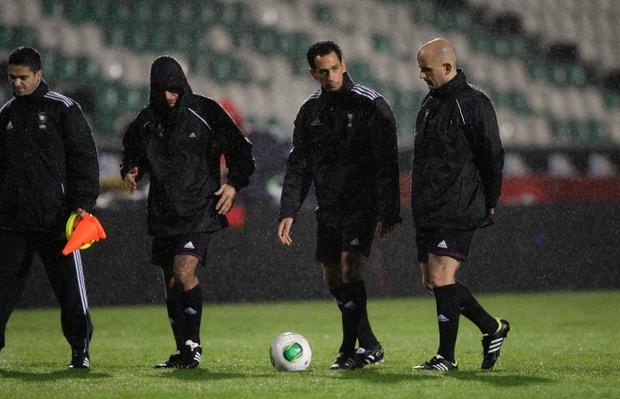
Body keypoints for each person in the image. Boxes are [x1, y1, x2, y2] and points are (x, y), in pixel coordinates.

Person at [121, 56, 254, 369]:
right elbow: (132, 153)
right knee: (170, 284)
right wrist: (131, 170)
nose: (167, 96)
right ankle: (182, 351)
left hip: (200, 209)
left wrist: (234, 185)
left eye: (173, 89)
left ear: (181, 85)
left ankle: (193, 345)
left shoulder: (205, 111)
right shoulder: (146, 120)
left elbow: (241, 150)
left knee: (183, 273)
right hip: (163, 212)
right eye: (161, 90)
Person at [278, 40, 401, 370]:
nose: (331, 76)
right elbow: (299, 164)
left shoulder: (370, 105)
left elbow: (388, 161)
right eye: (323, 72)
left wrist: (389, 209)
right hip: (329, 207)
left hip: (362, 204)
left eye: (335, 68)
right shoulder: (309, 112)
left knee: (350, 268)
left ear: (343, 65)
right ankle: (370, 343)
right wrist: (288, 209)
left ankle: (349, 349)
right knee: (332, 276)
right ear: (313, 74)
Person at [410, 38, 509, 371]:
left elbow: (492, 155)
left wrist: (489, 199)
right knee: (433, 281)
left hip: (457, 203)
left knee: (441, 276)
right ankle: (491, 327)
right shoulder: (430, 102)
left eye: (427, 70)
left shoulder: (474, 103)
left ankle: (445, 358)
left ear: (447, 68)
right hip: (428, 207)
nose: (422, 76)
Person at [0, 47, 100, 369]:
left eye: (23, 77)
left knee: (71, 292)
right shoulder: (6, 115)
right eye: (12, 77)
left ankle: (80, 353)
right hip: (13, 221)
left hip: (57, 220)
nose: (16, 83)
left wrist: (83, 203)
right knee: (2, 292)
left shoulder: (62, 109)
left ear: (38, 75)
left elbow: (85, 159)